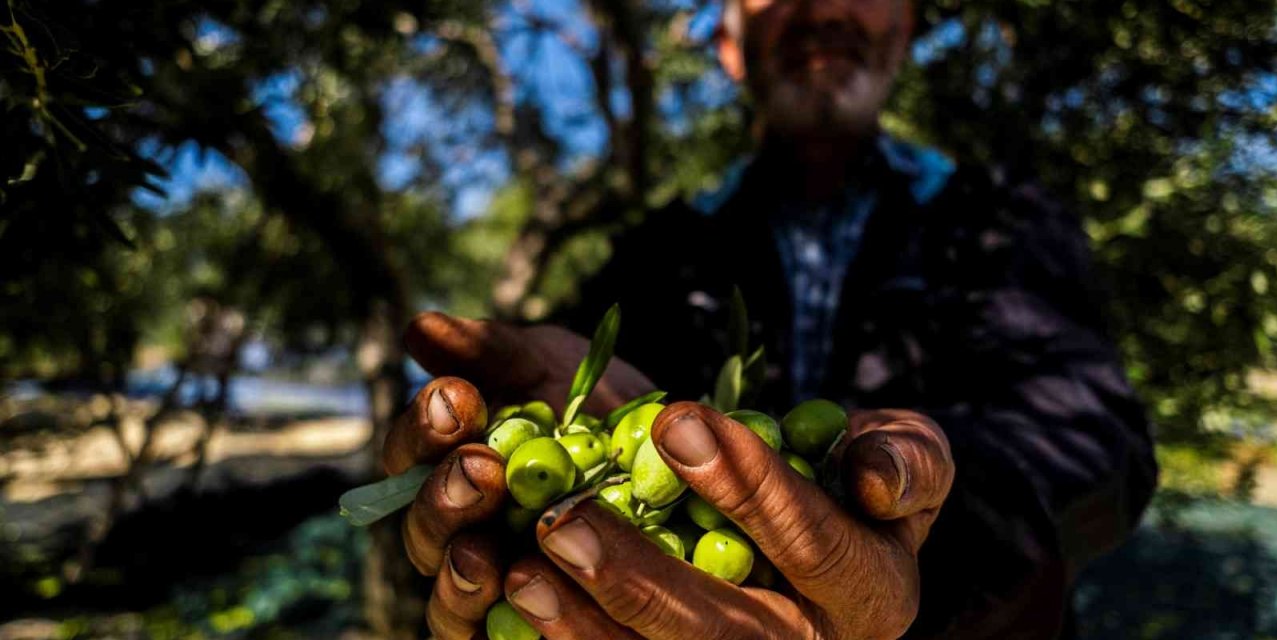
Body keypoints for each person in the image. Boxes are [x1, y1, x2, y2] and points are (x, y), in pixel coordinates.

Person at [380, 0, 1159, 637]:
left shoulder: (1007, 226)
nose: (822, 8)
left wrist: (923, 517)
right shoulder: (655, 258)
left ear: (904, 31)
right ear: (728, 43)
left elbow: (1105, 451)